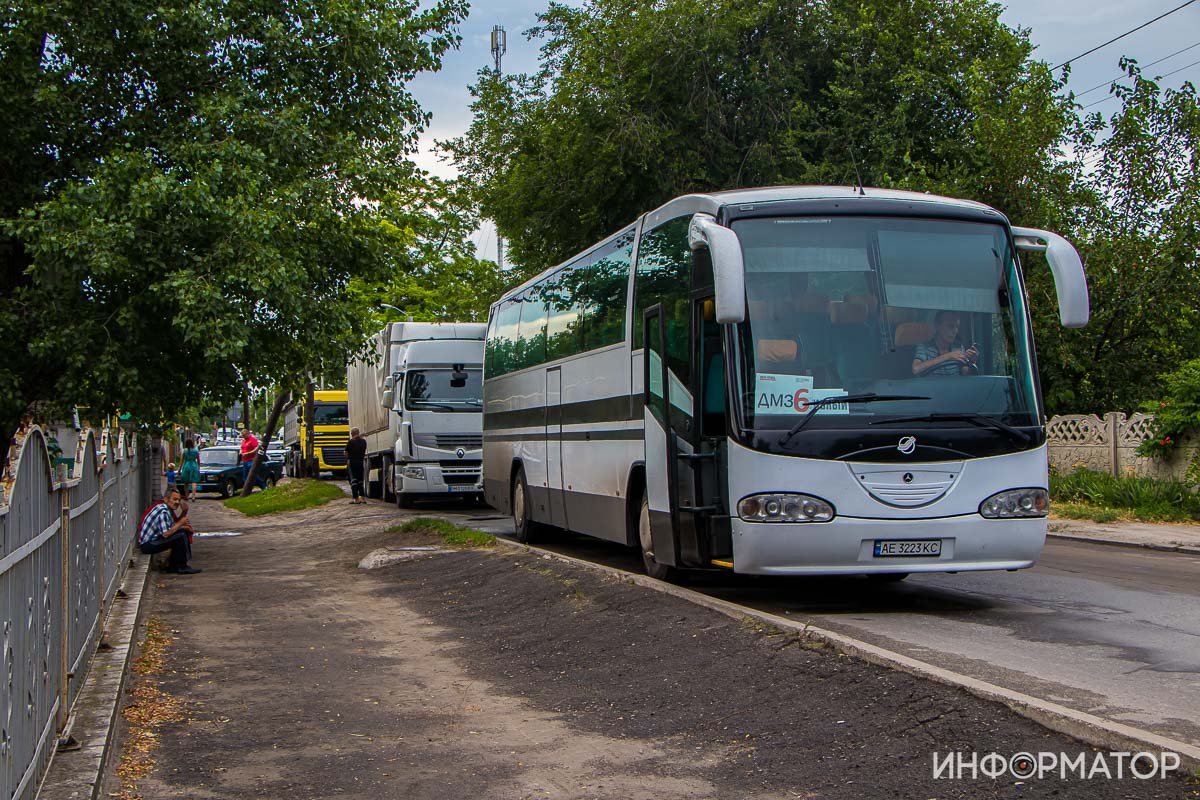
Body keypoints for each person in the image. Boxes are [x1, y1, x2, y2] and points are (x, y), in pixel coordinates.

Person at [137, 486, 201, 574]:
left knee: (182, 532)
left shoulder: (167, 509)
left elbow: (172, 527)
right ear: (166, 499)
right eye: (174, 499)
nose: (177, 502)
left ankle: (175, 565)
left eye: (178, 500)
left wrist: (183, 515)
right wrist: (180, 524)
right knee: (180, 535)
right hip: (148, 544)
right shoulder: (162, 511)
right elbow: (166, 534)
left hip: (154, 540)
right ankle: (181, 566)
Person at [912, 311, 978, 377]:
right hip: (932, 386)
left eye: (957, 327)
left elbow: (965, 373)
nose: (955, 331)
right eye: (950, 326)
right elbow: (916, 369)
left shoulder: (958, 347)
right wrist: (948, 356)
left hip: (954, 386)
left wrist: (972, 362)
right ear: (937, 326)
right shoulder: (924, 347)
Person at [346, 427, 367, 504]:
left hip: (352, 463)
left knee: (353, 481)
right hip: (361, 462)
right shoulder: (363, 442)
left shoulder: (350, 442)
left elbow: (346, 453)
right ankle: (363, 498)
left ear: (352, 434)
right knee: (360, 481)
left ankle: (356, 499)